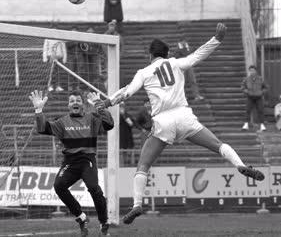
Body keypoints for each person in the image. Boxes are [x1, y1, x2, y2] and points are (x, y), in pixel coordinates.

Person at [96, 23, 265, 224]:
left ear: (150, 55)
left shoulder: (144, 72)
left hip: (163, 121)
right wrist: (217, 38)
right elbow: (199, 55)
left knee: (143, 165)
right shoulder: (176, 63)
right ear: (166, 55)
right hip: (185, 117)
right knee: (218, 145)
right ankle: (241, 165)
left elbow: (127, 91)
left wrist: (107, 102)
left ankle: (137, 205)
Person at [29, 90, 113, 236]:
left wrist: (100, 106)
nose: (75, 102)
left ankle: (104, 222)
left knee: (94, 188)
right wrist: (38, 110)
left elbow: (109, 124)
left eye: (78, 100)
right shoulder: (62, 122)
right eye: (72, 100)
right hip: (70, 162)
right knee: (59, 186)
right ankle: (81, 218)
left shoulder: (92, 119)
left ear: (83, 105)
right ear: (68, 105)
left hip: (87, 160)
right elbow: (42, 129)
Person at [241, 65, 267, 131]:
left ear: (256, 71)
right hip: (250, 97)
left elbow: (265, 87)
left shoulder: (260, 79)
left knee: (260, 110)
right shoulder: (246, 79)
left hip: (259, 97)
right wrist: (247, 92)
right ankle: (246, 125)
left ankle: (262, 125)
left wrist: (261, 92)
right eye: (250, 71)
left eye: (253, 70)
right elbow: (243, 87)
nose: (252, 72)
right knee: (248, 110)